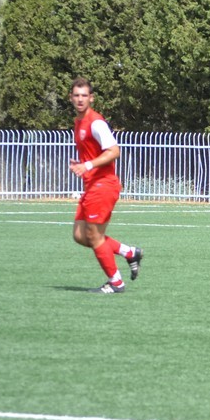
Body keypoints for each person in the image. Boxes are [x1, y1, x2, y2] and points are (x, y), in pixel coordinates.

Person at [69, 77, 143, 293]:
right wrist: (82, 163)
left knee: (94, 236)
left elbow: (114, 151)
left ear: (91, 98)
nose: (80, 99)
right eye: (76, 95)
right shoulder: (78, 122)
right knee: (80, 235)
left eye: (84, 95)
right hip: (91, 185)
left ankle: (116, 282)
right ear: (71, 98)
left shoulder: (96, 123)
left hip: (103, 184)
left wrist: (87, 165)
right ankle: (129, 252)